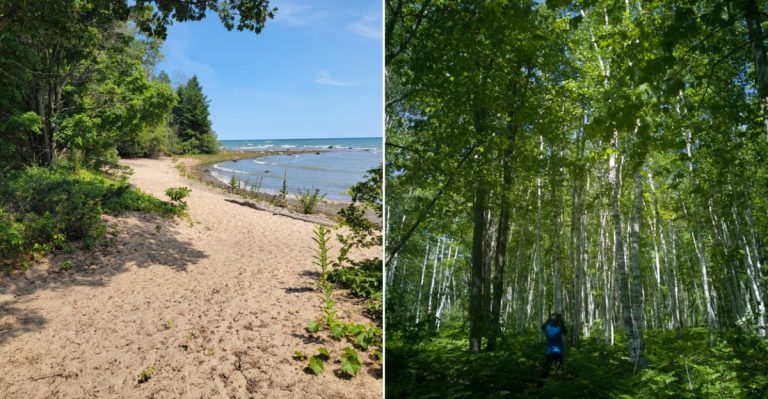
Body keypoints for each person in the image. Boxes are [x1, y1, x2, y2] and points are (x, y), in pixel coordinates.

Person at [538, 313, 567, 384]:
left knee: (545, 370)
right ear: (558, 320)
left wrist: (549, 319)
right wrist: (562, 321)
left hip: (549, 352)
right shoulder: (560, 327)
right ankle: (559, 386)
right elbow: (565, 332)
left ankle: (540, 386)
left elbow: (542, 327)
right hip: (559, 352)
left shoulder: (547, 327)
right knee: (558, 371)